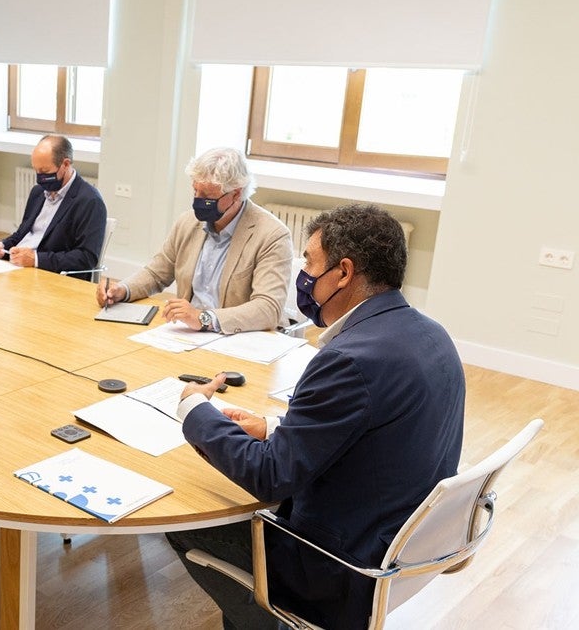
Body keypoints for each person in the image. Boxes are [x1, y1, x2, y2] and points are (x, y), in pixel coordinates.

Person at [166, 204, 464, 629]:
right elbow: (372, 433)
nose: (301, 275)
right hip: (401, 546)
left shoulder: (348, 359)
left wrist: (194, 409)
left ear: (343, 272)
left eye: (309, 262)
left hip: (337, 568)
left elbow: (269, 475)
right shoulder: (433, 334)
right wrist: (273, 428)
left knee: (185, 518)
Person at [96, 147, 291, 334]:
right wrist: (123, 289)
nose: (198, 200)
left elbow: (268, 308)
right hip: (186, 334)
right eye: (195, 191)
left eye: (207, 196)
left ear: (236, 194)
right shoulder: (188, 222)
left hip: (237, 337)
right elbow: (157, 273)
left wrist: (204, 318)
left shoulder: (271, 235)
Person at [0, 134, 107, 279]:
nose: (39, 178)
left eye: (45, 172)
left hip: (51, 275)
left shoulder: (89, 201)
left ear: (65, 164)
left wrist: (36, 259)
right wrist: (1, 246)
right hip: (20, 269)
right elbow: (22, 234)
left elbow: (86, 257)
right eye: (36, 171)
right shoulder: (38, 193)